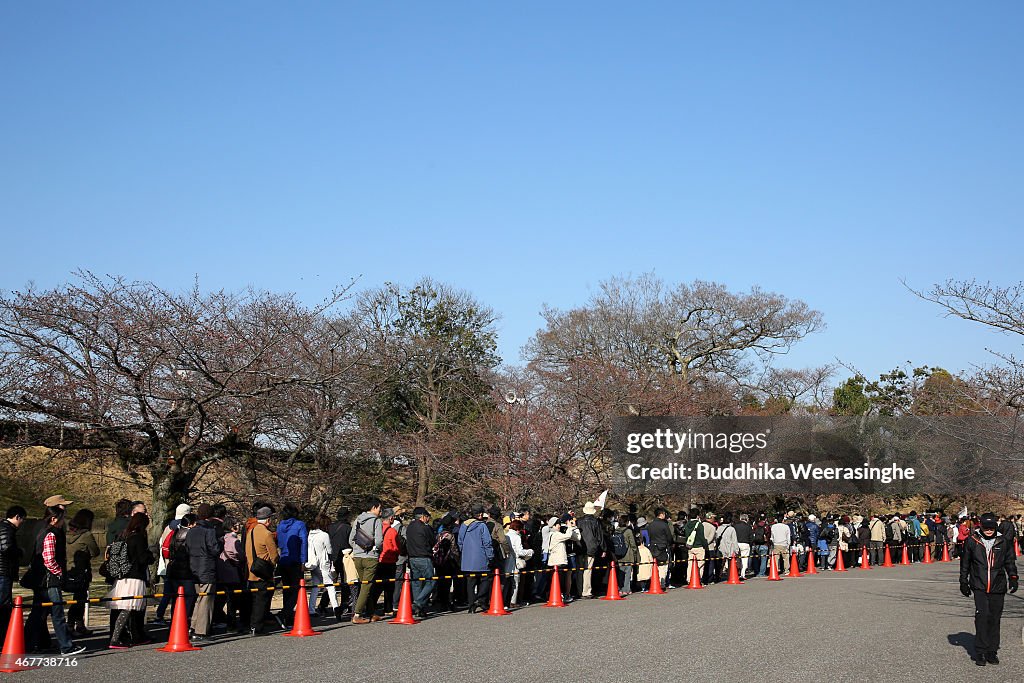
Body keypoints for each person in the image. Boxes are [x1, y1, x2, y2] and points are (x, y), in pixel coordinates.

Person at [959, 512, 1019, 666]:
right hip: (979, 584)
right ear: (981, 526)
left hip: (997, 585)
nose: (989, 530)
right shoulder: (972, 541)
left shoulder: (1003, 541)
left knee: (994, 618)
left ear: (995, 526)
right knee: (982, 616)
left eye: (991, 527)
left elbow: (1010, 561)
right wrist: (963, 581)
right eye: (986, 527)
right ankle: (980, 651)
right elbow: (965, 563)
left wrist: (1013, 577)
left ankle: (992, 651)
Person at [25, 506, 84, 656]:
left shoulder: (41, 531)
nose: (64, 521)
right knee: (57, 614)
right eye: (62, 518)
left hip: (41, 579)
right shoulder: (51, 534)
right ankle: (66, 646)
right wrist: (59, 573)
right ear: (54, 519)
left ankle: (28, 643)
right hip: (49, 580)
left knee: (38, 613)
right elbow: (49, 559)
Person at [106, 512, 155, 648]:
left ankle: (121, 636)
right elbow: (143, 558)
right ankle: (116, 639)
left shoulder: (123, 535)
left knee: (121, 608)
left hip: (122, 577)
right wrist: (151, 555)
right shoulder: (138, 538)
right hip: (134, 577)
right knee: (128, 608)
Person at [185, 504, 221, 641]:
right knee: (206, 600)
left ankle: (193, 626)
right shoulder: (209, 530)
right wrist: (220, 543)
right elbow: (215, 549)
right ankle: (201, 631)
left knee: (198, 599)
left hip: (193, 567)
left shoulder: (191, 531)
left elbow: (187, 548)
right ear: (210, 515)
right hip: (206, 567)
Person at [153, 503, 191, 625]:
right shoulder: (183, 527)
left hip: (166, 564)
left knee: (168, 592)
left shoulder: (168, 526)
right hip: (177, 565)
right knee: (177, 593)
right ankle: (176, 617)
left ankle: (160, 615)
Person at [65, 509, 100, 637]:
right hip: (82, 571)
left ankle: (75, 625)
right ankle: (74, 625)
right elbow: (95, 552)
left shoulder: (66, 534)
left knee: (77, 599)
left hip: (67, 569)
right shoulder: (86, 535)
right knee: (80, 599)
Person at [350, 499, 385, 624]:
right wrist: (375, 549)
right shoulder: (376, 521)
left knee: (365, 584)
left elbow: (351, 539)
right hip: (370, 557)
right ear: (374, 507)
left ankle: (371, 612)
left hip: (358, 557)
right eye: (380, 508)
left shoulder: (357, 520)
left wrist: (357, 549)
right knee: (367, 585)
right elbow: (379, 540)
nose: (381, 510)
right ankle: (357, 614)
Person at [246, 506, 279, 636]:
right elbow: (274, 555)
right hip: (263, 572)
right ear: (268, 520)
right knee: (261, 601)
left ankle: (252, 625)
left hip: (251, 570)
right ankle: (257, 627)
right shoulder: (267, 534)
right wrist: (273, 564)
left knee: (254, 600)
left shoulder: (251, 532)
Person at [275, 503, 308, 628]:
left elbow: (278, 542)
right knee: (297, 589)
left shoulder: (280, 526)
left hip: (283, 559)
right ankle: (284, 613)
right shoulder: (300, 525)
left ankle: (287, 618)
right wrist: (304, 561)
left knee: (287, 589)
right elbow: (304, 543)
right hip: (295, 560)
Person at [458, 504, 494, 613]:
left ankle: (471, 605)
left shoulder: (464, 525)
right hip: (481, 557)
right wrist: (490, 556)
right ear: (480, 514)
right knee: (485, 580)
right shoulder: (482, 526)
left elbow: (460, 541)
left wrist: (464, 552)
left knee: (470, 582)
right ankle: (481, 601)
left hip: (468, 560)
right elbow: (487, 542)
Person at [306, 513, 341, 621]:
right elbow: (330, 550)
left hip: (313, 564)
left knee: (316, 586)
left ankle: (311, 609)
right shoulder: (324, 535)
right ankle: (336, 609)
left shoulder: (310, 535)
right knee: (330, 586)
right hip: (323, 564)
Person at [164, 513, 198, 622]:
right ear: (190, 524)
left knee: (176, 597)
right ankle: (183, 620)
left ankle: (175, 620)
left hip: (173, 569)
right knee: (189, 596)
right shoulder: (190, 535)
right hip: (185, 570)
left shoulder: (175, 533)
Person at [0, 506, 26, 644]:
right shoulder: (6, 528)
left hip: (3, 572)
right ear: (17, 517)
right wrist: (19, 551)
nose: (22, 523)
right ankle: (3, 639)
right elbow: (6, 547)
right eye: (22, 519)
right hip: (3, 571)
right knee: (4, 606)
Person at [405, 507, 436, 618]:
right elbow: (433, 541)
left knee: (416, 583)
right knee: (431, 581)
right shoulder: (425, 528)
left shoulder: (409, 527)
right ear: (423, 516)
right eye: (427, 517)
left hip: (412, 557)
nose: (428, 519)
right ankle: (418, 603)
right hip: (424, 557)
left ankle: (419, 608)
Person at [326, 507, 352, 617]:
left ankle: (323, 604)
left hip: (332, 557)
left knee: (331, 582)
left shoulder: (330, 527)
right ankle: (344, 604)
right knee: (345, 582)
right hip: (344, 557)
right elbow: (350, 542)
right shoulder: (347, 528)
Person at [546, 514, 579, 603]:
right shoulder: (555, 535)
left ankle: (557, 595)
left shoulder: (553, 534)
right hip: (557, 561)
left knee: (558, 579)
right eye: (558, 525)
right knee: (559, 580)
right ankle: (559, 595)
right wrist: (569, 526)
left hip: (556, 560)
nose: (559, 526)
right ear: (553, 526)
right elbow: (568, 536)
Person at [505, 519, 534, 607]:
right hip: (515, 562)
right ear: (518, 528)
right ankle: (513, 602)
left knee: (505, 583)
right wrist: (530, 551)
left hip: (506, 561)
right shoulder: (517, 537)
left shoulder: (506, 535)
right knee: (515, 582)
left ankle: (503, 601)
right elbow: (519, 551)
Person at [577, 501, 603, 598]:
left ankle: (579, 590)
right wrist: (603, 548)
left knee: (580, 570)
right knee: (588, 570)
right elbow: (599, 536)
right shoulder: (595, 521)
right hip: (591, 548)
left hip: (580, 547)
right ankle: (586, 591)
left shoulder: (579, 521)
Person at [647, 508, 674, 590]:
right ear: (661, 514)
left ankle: (655, 581)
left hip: (653, 546)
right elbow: (669, 537)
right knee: (663, 566)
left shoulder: (650, 525)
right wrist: (670, 543)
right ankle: (662, 583)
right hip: (663, 547)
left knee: (655, 565)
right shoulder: (664, 525)